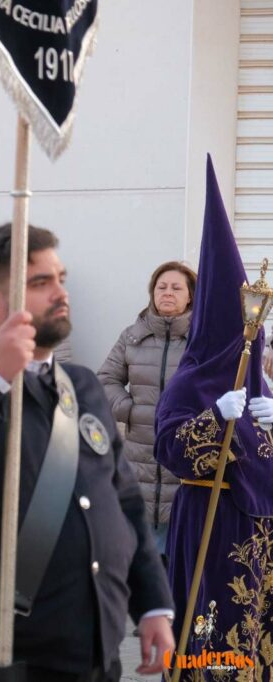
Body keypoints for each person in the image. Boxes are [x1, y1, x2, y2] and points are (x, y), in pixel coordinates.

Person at [0, 223, 175, 680]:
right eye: (41, 282)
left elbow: (123, 502)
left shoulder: (82, 385)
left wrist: (152, 605)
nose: (61, 293)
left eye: (60, 278)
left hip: (92, 647)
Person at [155, 160, 273, 675]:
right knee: (208, 631)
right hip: (210, 521)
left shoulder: (259, 380)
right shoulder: (190, 380)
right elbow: (168, 447)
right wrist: (212, 420)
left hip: (259, 533)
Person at [97, 261, 195, 556]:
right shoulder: (132, 336)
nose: (167, 293)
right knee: (138, 555)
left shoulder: (201, 342)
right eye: (161, 287)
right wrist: (131, 411)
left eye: (176, 288)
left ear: (190, 296)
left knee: (180, 558)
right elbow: (105, 380)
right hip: (138, 460)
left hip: (183, 462)